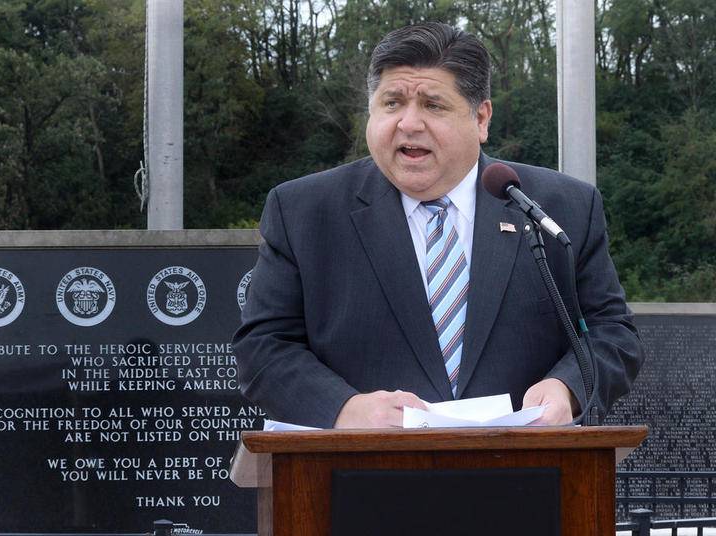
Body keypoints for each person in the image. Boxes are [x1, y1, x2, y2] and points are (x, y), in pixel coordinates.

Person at [233, 23, 644, 429]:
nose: (409, 123)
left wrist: (568, 388)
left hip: (526, 475)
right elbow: (263, 348)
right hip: (359, 480)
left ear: (481, 118)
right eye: (392, 103)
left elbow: (612, 335)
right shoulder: (303, 210)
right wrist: (346, 409)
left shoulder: (562, 206)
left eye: (433, 105)